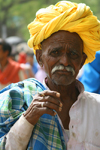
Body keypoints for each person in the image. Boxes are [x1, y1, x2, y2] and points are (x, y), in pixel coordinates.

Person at [0, 1, 100, 150]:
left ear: (82, 61)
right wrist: (28, 119)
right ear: (39, 58)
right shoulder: (18, 100)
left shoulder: (97, 108)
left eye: (73, 54)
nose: (65, 62)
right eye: (55, 53)